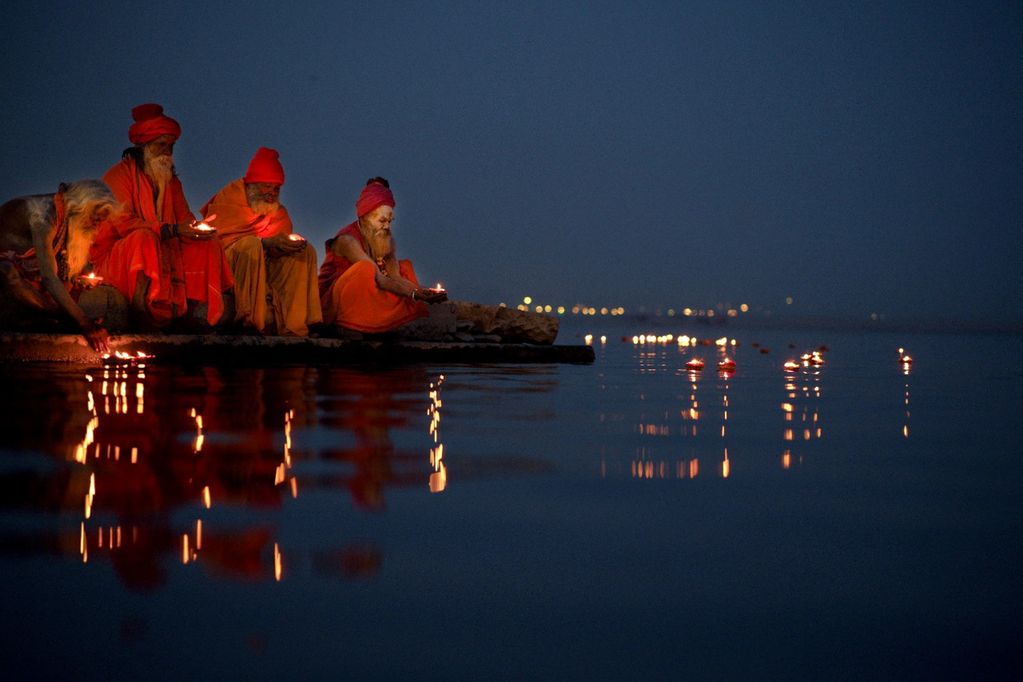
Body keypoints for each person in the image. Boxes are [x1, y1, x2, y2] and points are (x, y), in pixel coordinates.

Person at [90, 103, 233, 329]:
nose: (167, 152)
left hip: (163, 244)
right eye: (161, 145)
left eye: (171, 146)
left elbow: (184, 217)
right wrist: (172, 230)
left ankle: (191, 313)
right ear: (143, 146)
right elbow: (124, 225)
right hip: (119, 254)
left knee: (209, 244)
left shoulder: (171, 181)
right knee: (144, 238)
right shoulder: (118, 175)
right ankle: (140, 310)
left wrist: (198, 228)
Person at [200, 147, 322, 336]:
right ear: (253, 184)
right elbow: (219, 242)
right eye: (267, 186)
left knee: (305, 251)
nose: (272, 193)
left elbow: (276, 247)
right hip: (229, 266)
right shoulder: (230, 199)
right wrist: (265, 243)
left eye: (276, 188)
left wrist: (282, 246)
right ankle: (249, 322)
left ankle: (294, 327)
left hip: (265, 268)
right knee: (251, 244)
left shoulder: (277, 212)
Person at [0, 180, 124, 351]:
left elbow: (66, 267)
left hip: (31, 271)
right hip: (9, 268)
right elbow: (49, 278)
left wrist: (80, 278)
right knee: (6, 271)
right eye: (93, 219)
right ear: (79, 208)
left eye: (99, 222)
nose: (96, 226)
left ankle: (59, 317)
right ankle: (61, 318)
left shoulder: (68, 217)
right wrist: (84, 322)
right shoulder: (43, 216)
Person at [318, 178, 447, 333]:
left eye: (390, 221)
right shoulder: (348, 240)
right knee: (365, 269)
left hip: (372, 291)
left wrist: (422, 293)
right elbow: (380, 278)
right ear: (365, 217)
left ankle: (382, 323)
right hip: (334, 302)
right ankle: (350, 323)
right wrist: (415, 294)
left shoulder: (386, 240)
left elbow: (395, 277)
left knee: (405, 266)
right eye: (382, 221)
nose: (387, 226)